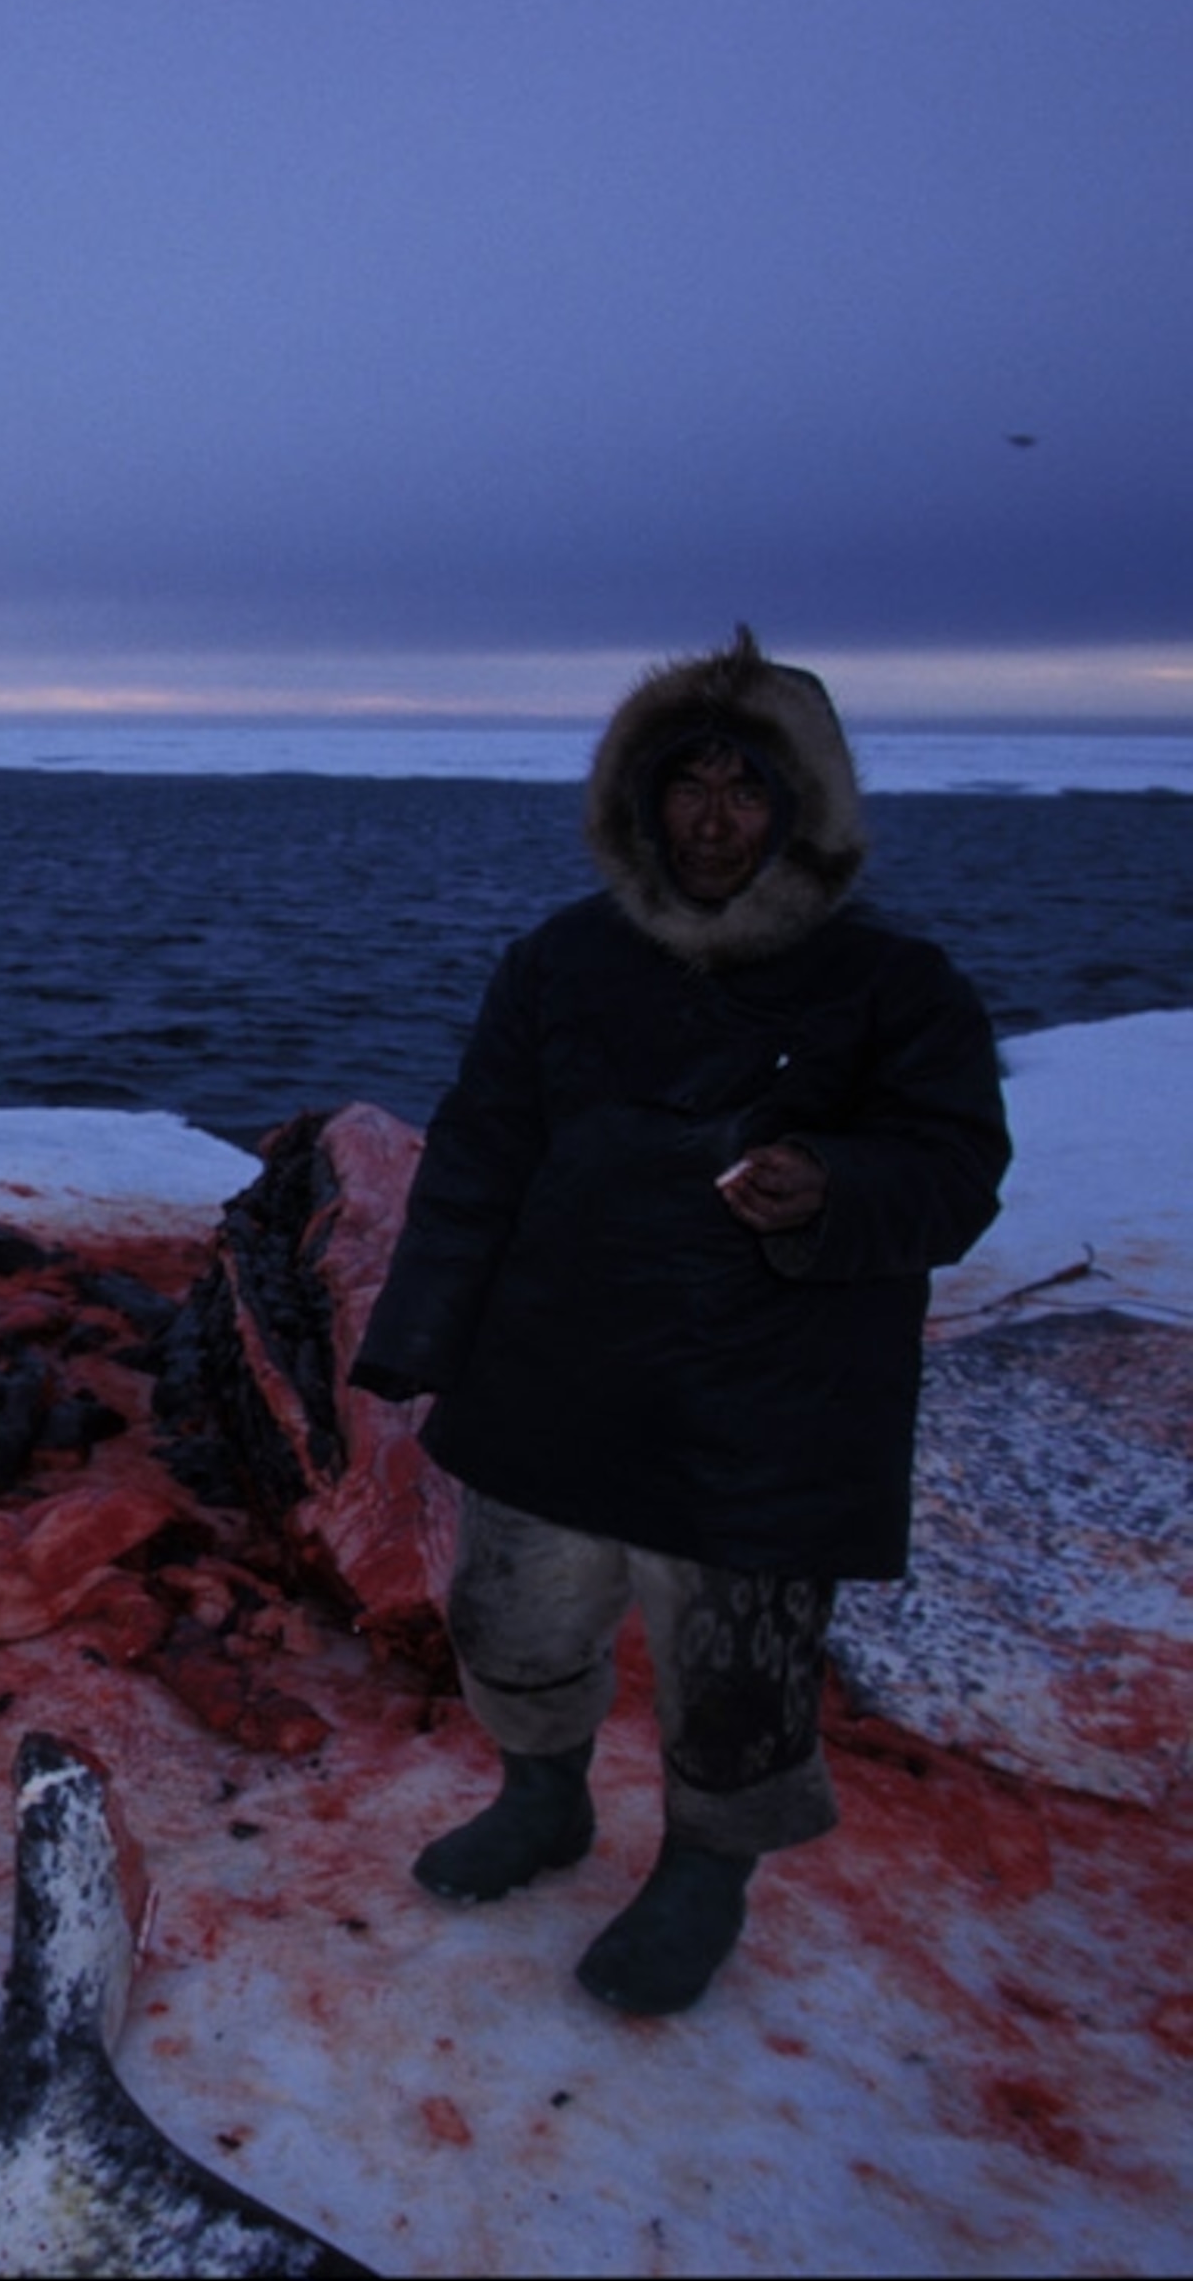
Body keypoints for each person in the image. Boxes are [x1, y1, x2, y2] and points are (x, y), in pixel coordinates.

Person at [350, 625, 1009, 2018]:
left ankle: (707, 1873)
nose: (714, 817)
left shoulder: (897, 983)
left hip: (764, 1404)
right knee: (509, 1620)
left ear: (804, 805)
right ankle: (546, 1799)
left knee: (737, 1671)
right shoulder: (561, 961)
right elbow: (480, 1152)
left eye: (747, 786)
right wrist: (419, 1337)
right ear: (638, 799)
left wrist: (834, 1182)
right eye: (687, 783)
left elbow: (956, 1170)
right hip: (557, 1375)